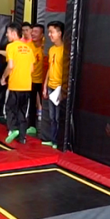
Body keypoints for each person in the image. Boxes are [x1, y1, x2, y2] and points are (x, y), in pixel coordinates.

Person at [0, 22, 34, 144]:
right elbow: (32, 69)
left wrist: (3, 77)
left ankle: (13, 129)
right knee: (22, 111)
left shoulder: (11, 47)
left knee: (9, 108)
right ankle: (22, 137)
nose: (6, 35)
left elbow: (10, 66)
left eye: (8, 33)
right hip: (26, 86)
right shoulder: (29, 49)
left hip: (15, 85)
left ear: (14, 33)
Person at [42, 21, 65, 149]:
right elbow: (50, 68)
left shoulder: (65, 50)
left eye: (52, 32)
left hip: (59, 88)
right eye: (49, 32)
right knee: (51, 117)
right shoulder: (51, 49)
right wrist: (45, 85)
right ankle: (52, 139)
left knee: (57, 117)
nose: (50, 35)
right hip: (51, 86)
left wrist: (63, 89)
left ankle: (57, 141)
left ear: (59, 33)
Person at [27, 23, 46, 136]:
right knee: (32, 103)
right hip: (31, 80)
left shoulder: (45, 45)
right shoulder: (28, 47)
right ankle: (31, 126)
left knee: (45, 104)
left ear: (42, 35)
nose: (33, 34)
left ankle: (45, 128)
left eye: (36, 32)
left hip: (43, 80)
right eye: (32, 32)